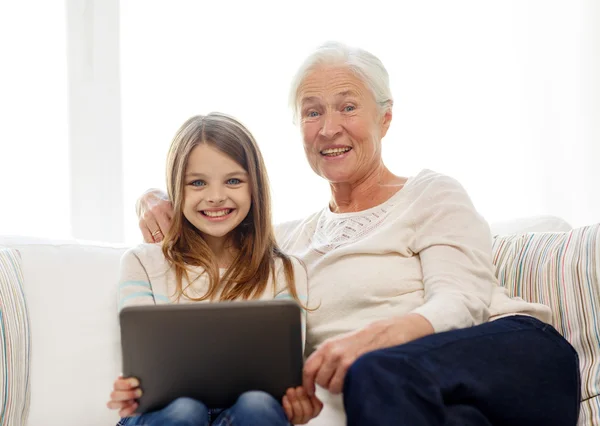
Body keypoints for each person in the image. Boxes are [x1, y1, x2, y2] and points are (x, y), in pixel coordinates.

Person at [136, 42, 581, 426]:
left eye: (348, 106)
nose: (329, 128)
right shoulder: (286, 242)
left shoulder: (431, 193)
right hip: (412, 404)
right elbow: (214, 220)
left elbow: (461, 301)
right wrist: (156, 197)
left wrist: (372, 339)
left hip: (513, 363)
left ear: (385, 119)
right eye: (312, 112)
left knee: (374, 372)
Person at [107, 113, 323, 426]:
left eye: (233, 180)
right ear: (176, 189)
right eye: (197, 183)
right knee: (185, 410)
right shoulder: (142, 262)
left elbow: (281, 379)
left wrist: (294, 401)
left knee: (259, 405)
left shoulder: (285, 271)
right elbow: (144, 364)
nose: (216, 196)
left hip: (245, 414)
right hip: (165, 413)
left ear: (255, 188)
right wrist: (133, 390)